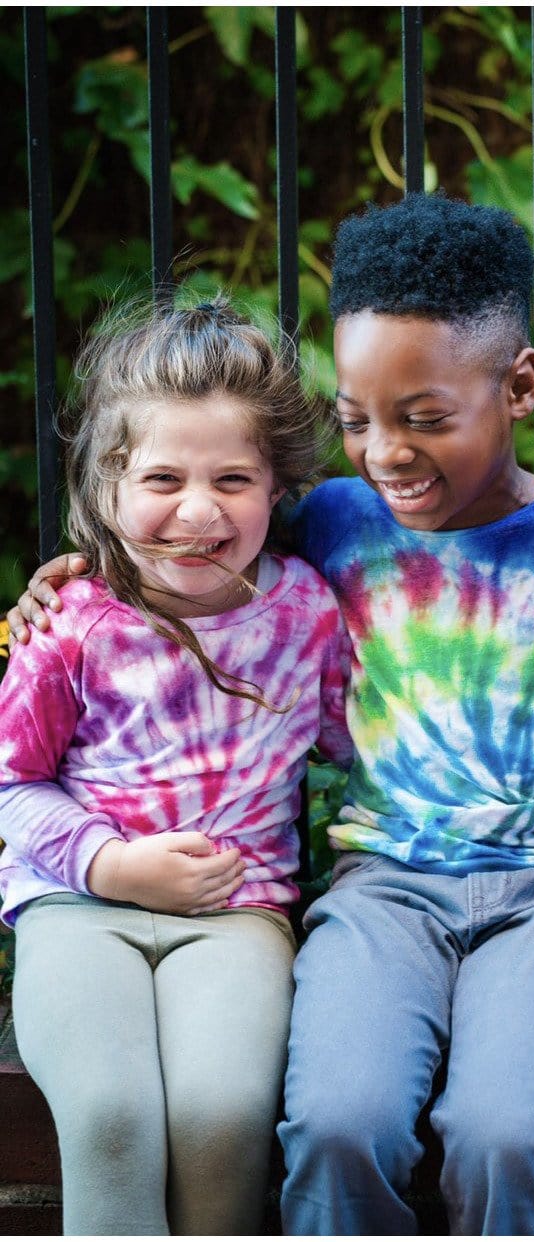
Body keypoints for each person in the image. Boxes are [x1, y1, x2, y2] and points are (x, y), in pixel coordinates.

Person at [8, 194, 534, 1235]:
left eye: (423, 416)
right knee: (339, 1122)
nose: (385, 450)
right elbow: (189, 551)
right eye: (355, 419)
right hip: (386, 888)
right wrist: (72, 579)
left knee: (505, 1133)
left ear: (522, 385)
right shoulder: (334, 523)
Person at [0, 298, 352, 1235]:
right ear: (108, 486)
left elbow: (361, 748)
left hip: (236, 916)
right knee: (111, 1118)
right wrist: (109, 866)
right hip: (78, 909)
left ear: (276, 489)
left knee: (221, 1116)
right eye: (163, 477)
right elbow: (11, 781)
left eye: (232, 478)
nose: (198, 510)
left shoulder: (308, 614)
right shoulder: (73, 624)